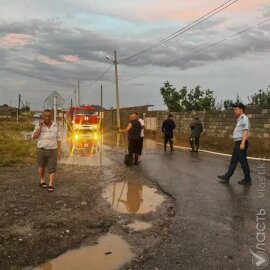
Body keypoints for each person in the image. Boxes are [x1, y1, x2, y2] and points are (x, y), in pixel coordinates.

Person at [218, 103, 252, 185]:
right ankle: (227, 176)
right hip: (238, 142)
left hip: (241, 142)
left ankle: (247, 179)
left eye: (236, 109)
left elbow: (245, 131)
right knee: (233, 161)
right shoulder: (240, 119)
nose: (234, 111)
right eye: (234, 109)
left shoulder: (244, 118)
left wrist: (243, 143)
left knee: (243, 161)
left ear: (241, 109)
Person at [32, 109, 61, 192]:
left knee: (52, 167)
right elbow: (34, 136)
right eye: (45, 116)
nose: (47, 117)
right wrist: (40, 127)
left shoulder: (55, 125)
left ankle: (51, 183)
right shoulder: (38, 125)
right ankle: (42, 180)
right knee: (41, 166)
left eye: (49, 116)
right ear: (43, 116)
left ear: (51, 116)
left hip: (53, 149)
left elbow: (59, 139)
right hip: (41, 149)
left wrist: (59, 151)